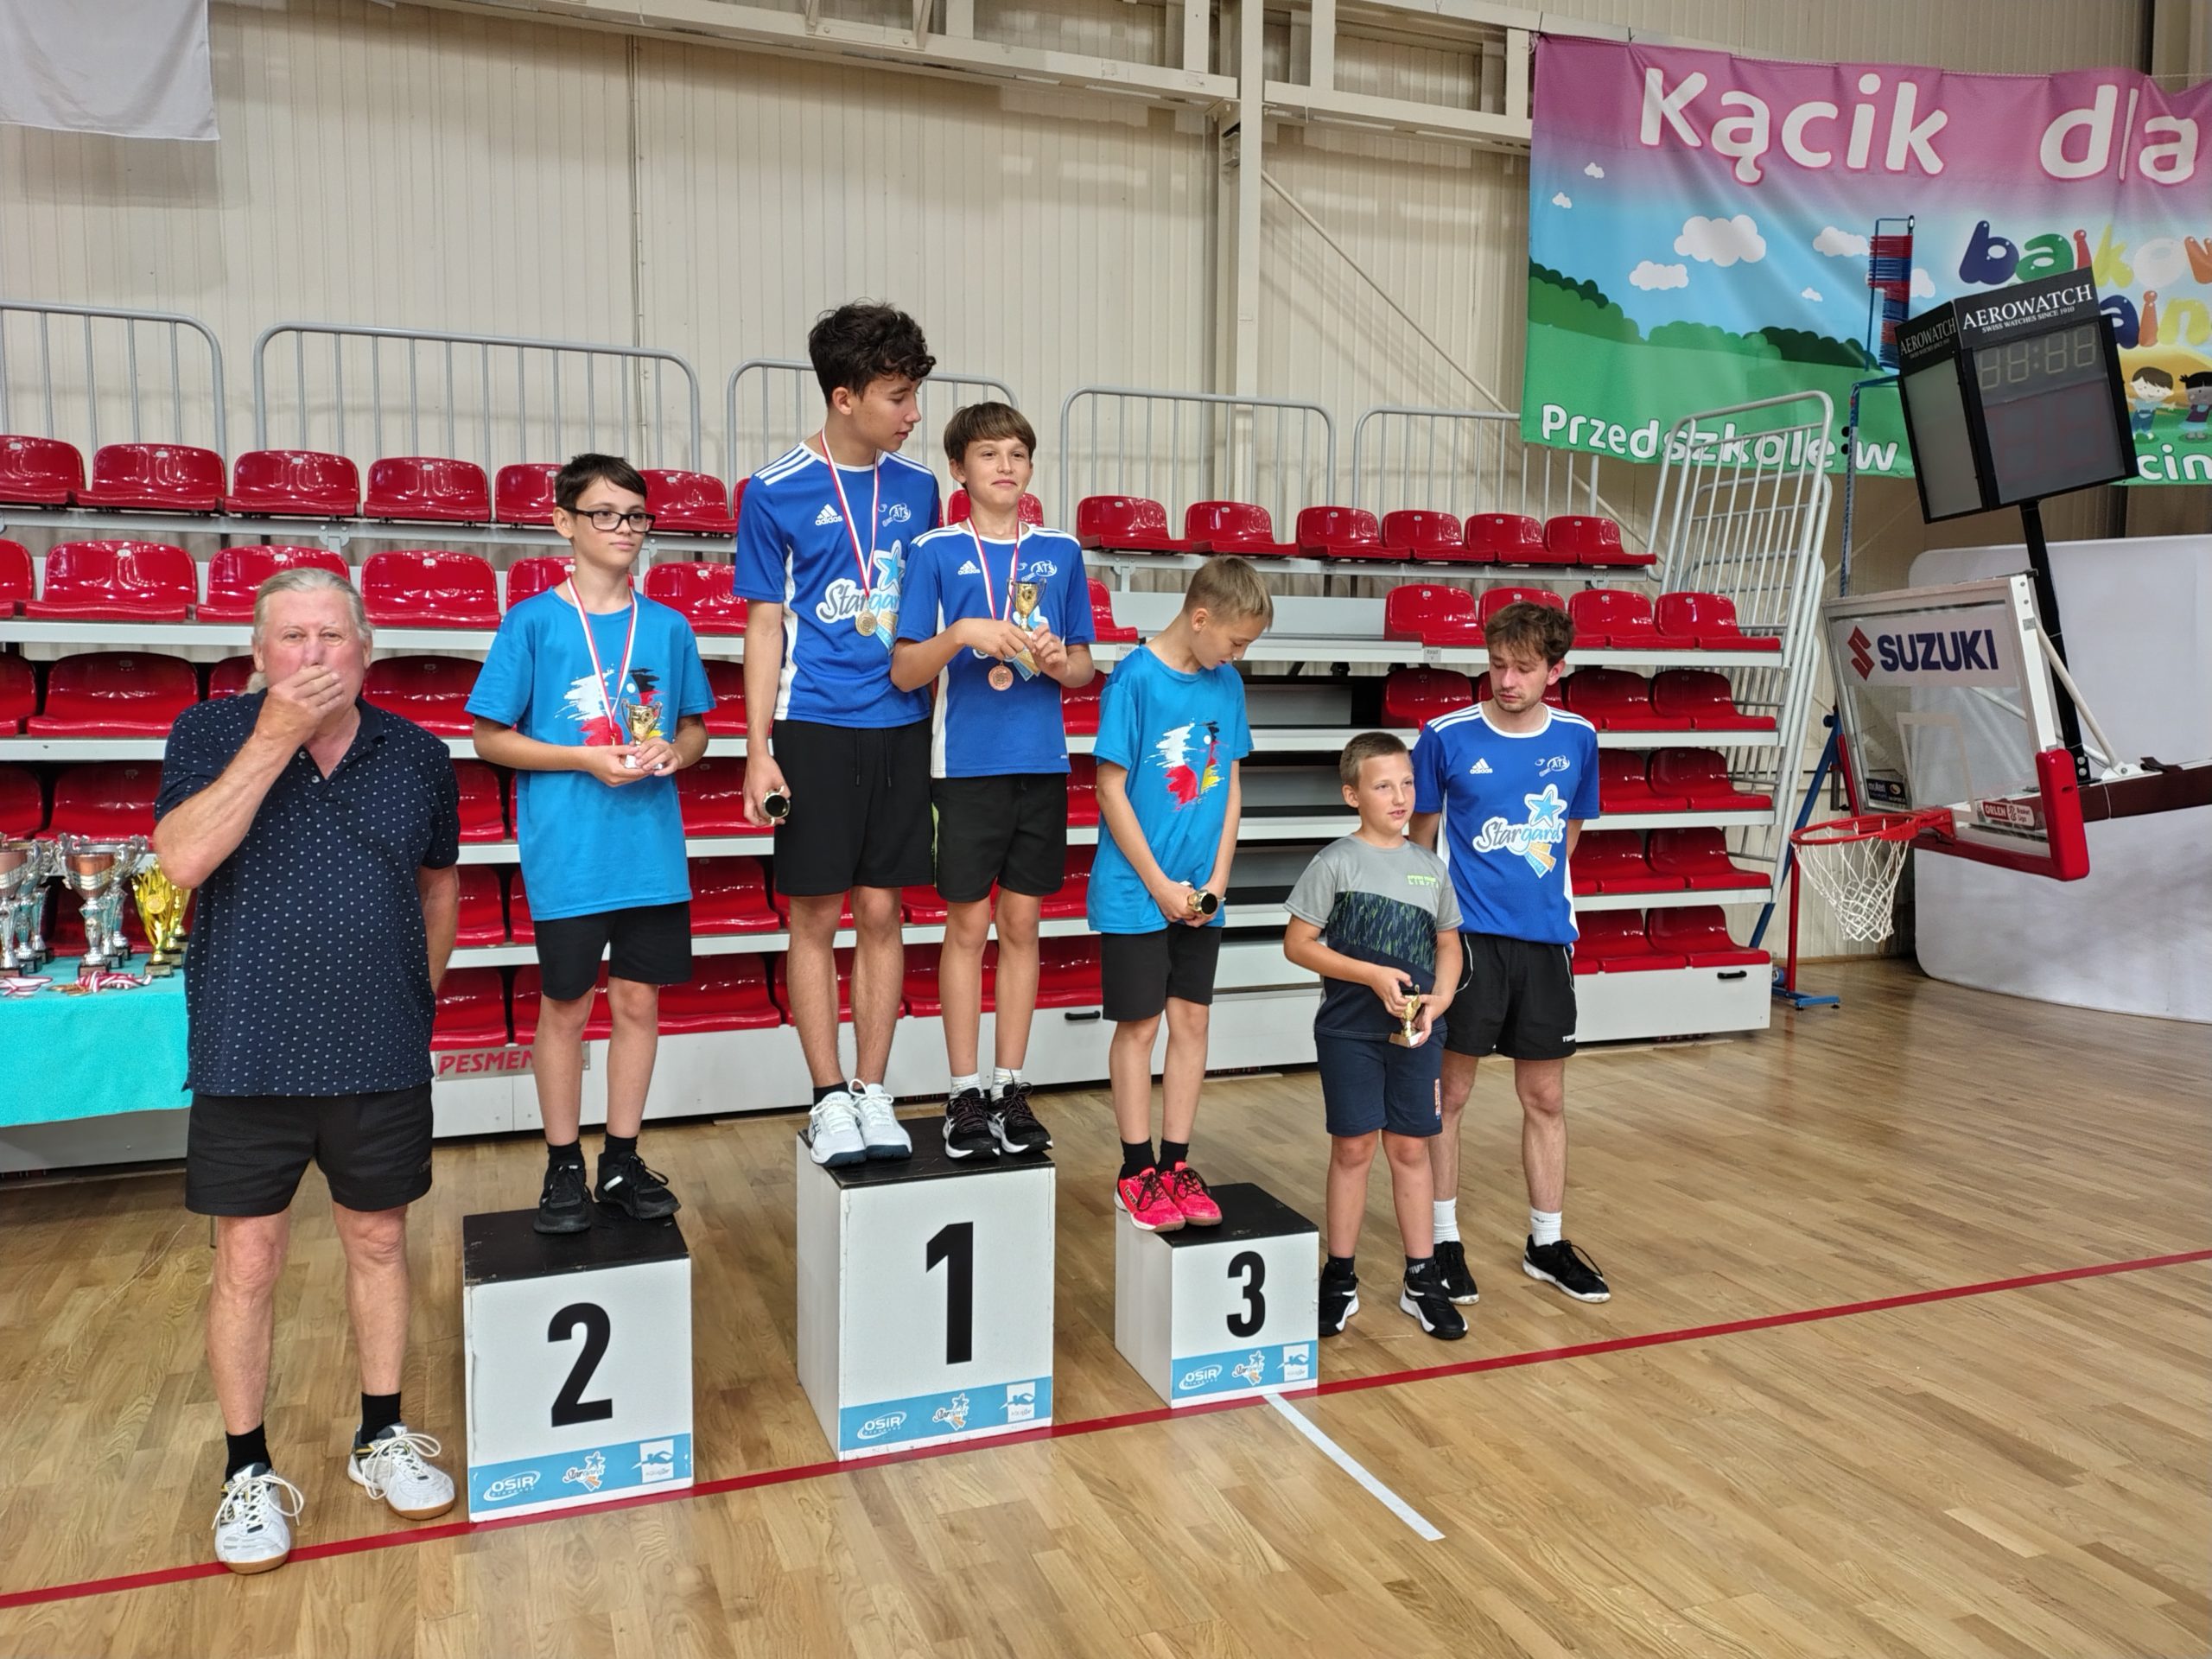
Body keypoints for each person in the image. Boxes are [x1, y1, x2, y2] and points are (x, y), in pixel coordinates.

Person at [152, 568, 461, 1573]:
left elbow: (439, 889)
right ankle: (245, 1471)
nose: (314, 653)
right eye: (292, 636)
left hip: (379, 1050)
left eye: (333, 634)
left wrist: (414, 1001)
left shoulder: (417, 755)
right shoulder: (209, 733)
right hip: (247, 1052)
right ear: (257, 654)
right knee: (247, 1262)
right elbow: (181, 861)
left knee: (380, 1242)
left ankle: (381, 1434)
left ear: (366, 649)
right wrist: (273, 736)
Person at [468, 453, 715, 1233]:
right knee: (566, 1008)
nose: (624, 528)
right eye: (605, 513)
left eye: (636, 515)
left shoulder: (668, 626)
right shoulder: (533, 622)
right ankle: (563, 1164)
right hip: (569, 854)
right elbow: (488, 738)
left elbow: (696, 729)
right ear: (563, 523)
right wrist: (583, 759)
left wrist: (677, 752)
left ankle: (622, 1158)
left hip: (649, 852)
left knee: (639, 1003)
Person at [735, 302, 939, 1166]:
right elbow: (763, 626)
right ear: (844, 396)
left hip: (902, 725)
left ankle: (874, 1090)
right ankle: (826, 1098)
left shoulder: (921, 489)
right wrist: (757, 750)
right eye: (898, 396)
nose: (914, 413)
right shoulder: (773, 489)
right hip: (814, 723)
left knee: (884, 910)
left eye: (915, 394)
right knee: (815, 914)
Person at [893, 403, 1095, 1156]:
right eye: (988, 454)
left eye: (1017, 453)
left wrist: (1058, 660)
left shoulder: (1061, 551)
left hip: (1040, 764)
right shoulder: (935, 551)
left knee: (1022, 927)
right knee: (968, 928)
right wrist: (960, 634)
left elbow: (1083, 668)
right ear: (958, 469)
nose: (1005, 466)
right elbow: (904, 668)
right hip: (964, 767)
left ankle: (1011, 1085)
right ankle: (962, 1094)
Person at [1409, 599, 1610, 1306]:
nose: (1507, 680)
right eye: (1497, 665)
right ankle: (1441, 1239)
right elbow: (1420, 839)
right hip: (1464, 942)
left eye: (1524, 668)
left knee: (1546, 1096)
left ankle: (1546, 1242)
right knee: (1451, 1094)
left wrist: (1534, 891)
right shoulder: (1444, 736)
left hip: (1545, 940)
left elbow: (1570, 830)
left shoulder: (1580, 737)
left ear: (1557, 670)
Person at [1088, 556, 1270, 1231]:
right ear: (1200, 618)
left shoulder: (1227, 684)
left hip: (1200, 891)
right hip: (1138, 890)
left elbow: (1231, 787)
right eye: (1236, 641)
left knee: (1191, 1022)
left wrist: (1218, 881)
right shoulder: (1134, 679)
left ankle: (1175, 1164)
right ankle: (1136, 1169)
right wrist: (1161, 886)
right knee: (1140, 1026)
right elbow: (1109, 789)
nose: (1238, 655)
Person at [1283, 732, 1465, 1340]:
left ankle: (1421, 1279)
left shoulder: (1430, 867)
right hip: (1348, 1032)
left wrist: (1442, 997)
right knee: (1353, 1149)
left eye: (1407, 783)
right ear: (1352, 795)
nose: (1399, 796)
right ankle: (1340, 1277)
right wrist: (1368, 974)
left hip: (1418, 1033)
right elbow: (1297, 944)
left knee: (1411, 1150)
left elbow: (1448, 943)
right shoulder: (1334, 862)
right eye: (1383, 785)